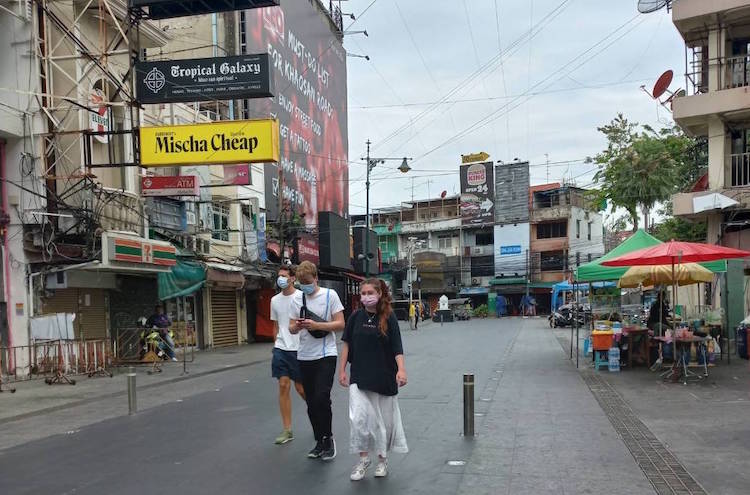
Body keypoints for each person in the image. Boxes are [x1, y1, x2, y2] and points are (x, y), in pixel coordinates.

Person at [339, 278, 408, 481]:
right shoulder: (354, 317)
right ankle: (363, 459)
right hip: (359, 376)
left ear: (379, 294)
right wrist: (342, 370)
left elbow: (397, 347)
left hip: (384, 377)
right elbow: (346, 345)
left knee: (383, 422)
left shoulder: (389, 317)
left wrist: (401, 370)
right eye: (363, 293)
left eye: (370, 293)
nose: (366, 297)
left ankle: (382, 459)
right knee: (359, 418)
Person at [289, 261, 345, 461]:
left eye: (307, 281)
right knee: (311, 402)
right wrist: (298, 326)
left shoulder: (330, 295)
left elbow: (340, 324)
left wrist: (317, 324)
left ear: (316, 278)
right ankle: (319, 440)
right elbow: (290, 327)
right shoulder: (297, 299)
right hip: (304, 354)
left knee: (322, 397)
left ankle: (328, 438)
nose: (305, 285)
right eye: (301, 282)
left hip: (326, 353)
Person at [270, 265, 306, 445]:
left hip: (299, 349)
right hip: (281, 348)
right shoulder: (274, 300)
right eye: (279, 276)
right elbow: (275, 325)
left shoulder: (301, 297)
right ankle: (287, 429)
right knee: (283, 385)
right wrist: (275, 345)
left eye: (284, 276)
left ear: (293, 278)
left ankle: (317, 412)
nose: (280, 279)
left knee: (301, 389)